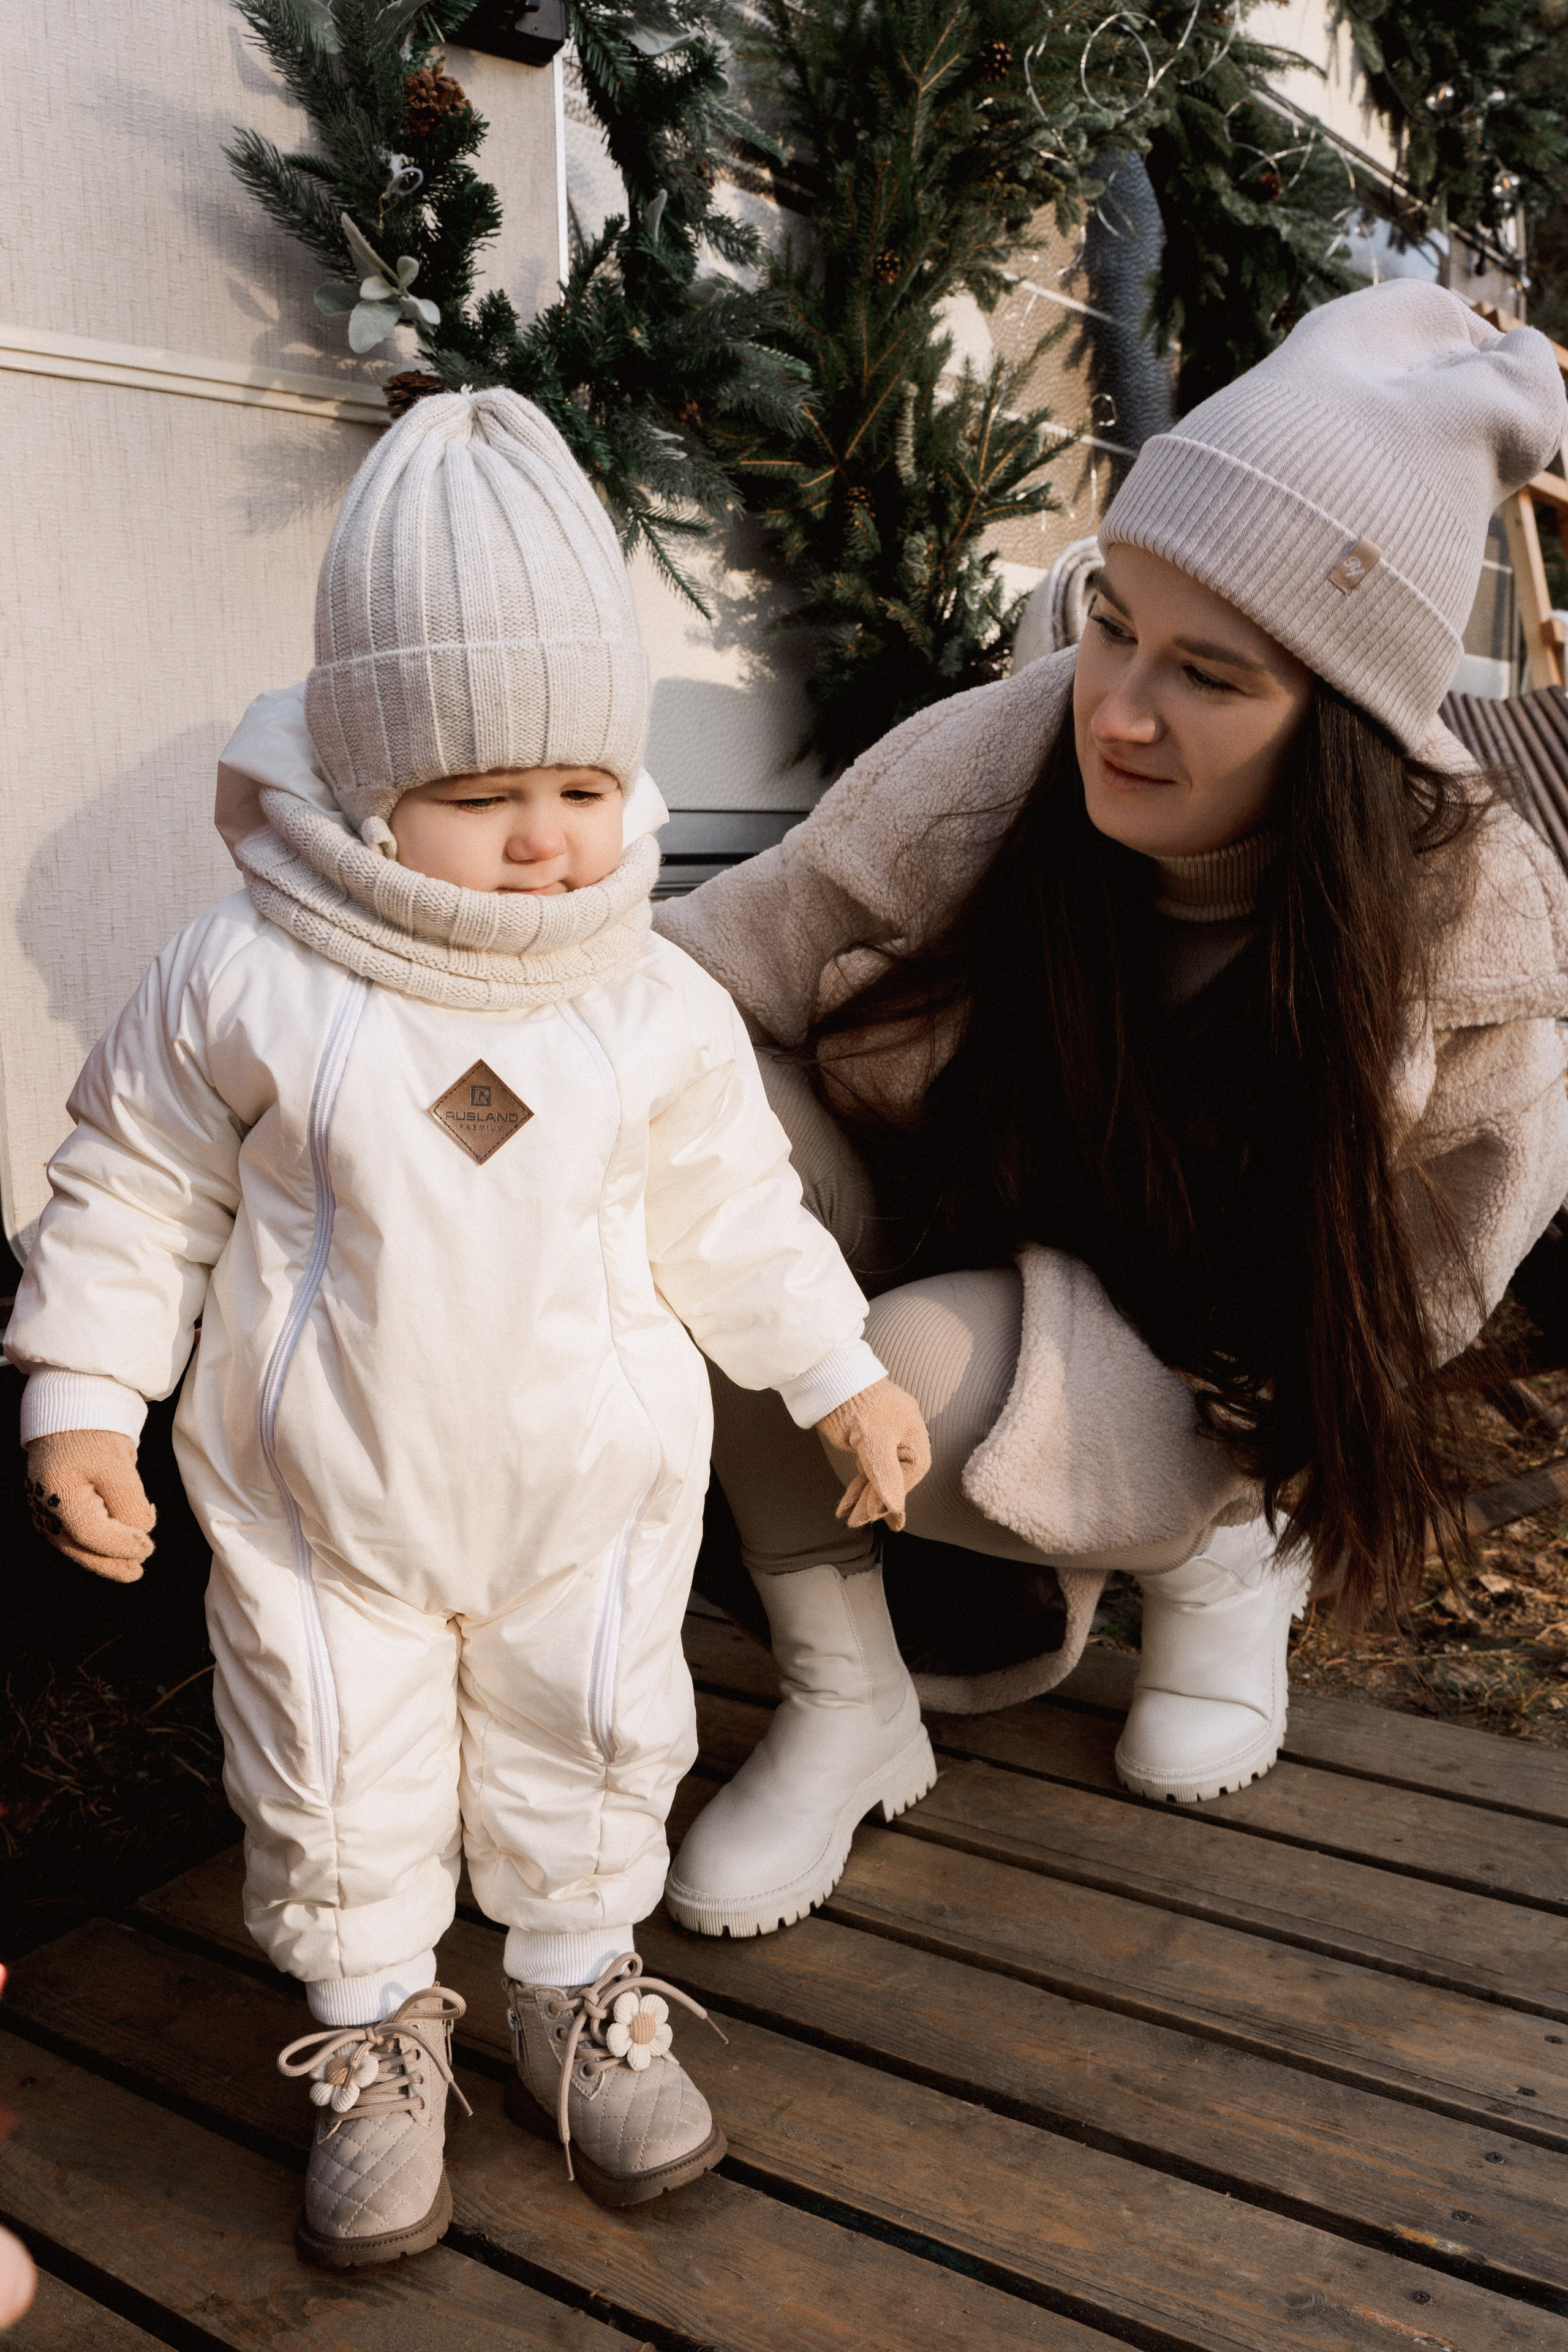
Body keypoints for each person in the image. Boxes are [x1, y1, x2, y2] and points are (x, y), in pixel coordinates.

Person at [4, 391, 930, 2258]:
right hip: (319, 1495)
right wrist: (84, 1397)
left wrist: (837, 1370)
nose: (543, 844)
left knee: (596, 1734)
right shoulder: (249, 971)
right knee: (330, 1769)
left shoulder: (646, 995)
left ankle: (577, 1990)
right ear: (370, 786)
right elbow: (135, 1186)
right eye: (484, 798)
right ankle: (370, 2034)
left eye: (581, 791)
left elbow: (732, 1207)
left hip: (586, 1492)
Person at [655, 281, 1568, 1940]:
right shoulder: (987, 766)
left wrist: (1255, 1450)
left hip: (1226, 1360)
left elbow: (1426, 1280)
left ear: (1345, 722)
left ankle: (1220, 1559)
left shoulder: (1463, 913)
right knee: (681, 1125)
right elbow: (691, 985)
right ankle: (846, 1694)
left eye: (1209, 674)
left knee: (927, 1368)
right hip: (945, 1249)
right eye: (1112, 622)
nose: (1120, 709)